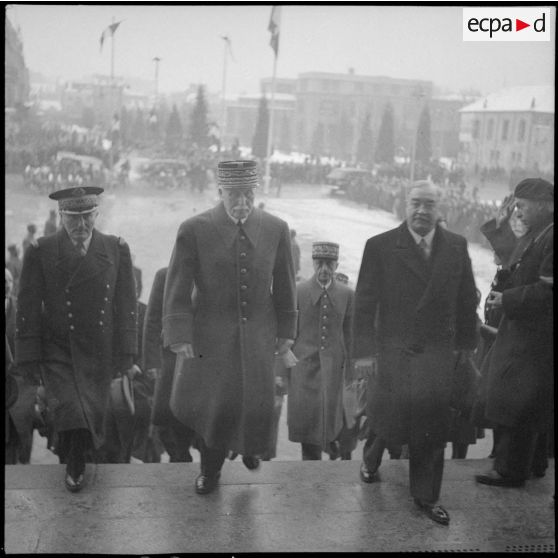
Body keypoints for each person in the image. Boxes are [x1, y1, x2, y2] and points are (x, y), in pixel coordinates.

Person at [162, 160, 297, 495]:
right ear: (219, 191)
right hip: (212, 338)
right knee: (216, 408)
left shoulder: (275, 228)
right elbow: (177, 286)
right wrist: (179, 334)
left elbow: (284, 285)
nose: (242, 203)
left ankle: (249, 447)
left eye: (248, 194)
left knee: (255, 402)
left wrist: (286, 332)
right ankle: (211, 471)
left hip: (258, 338)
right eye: (234, 195)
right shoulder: (194, 229)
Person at [352, 180, 478, 526]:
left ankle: (426, 496)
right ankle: (370, 461)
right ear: (404, 206)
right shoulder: (379, 246)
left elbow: (467, 299)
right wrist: (363, 354)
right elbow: (363, 305)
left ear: (440, 210)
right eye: (416, 203)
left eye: (429, 205)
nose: (422, 211)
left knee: (431, 425)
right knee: (385, 418)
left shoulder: (456, 245)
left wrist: (466, 345)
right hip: (393, 352)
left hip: (437, 354)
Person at [14, 186, 138, 492]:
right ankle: (75, 465)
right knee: (72, 408)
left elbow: (126, 304)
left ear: (96, 215)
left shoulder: (115, 247)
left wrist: (127, 352)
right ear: (61, 217)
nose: (81, 226)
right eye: (73, 218)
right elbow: (27, 307)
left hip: (99, 349)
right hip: (57, 347)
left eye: (87, 217)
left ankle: (73, 455)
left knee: (90, 411)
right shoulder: (41, 251)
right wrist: (28, 357)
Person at [475, 178, 553, 488]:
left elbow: (548, 291)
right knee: (530, 402)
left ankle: (509, 470)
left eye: (522, 206)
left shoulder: (549, 236)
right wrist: (502, 224)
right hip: (531, 333)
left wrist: (506, 298)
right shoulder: (541, 233)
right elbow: (515, 258)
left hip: (532, 335)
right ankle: (533, 464)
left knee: (514, 399)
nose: (518, 211)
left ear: (543, 205)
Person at [286, 242, 354, 460]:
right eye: (320, 263)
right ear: (313, 264)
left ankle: (331, 462)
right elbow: (286, 335)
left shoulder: (347, 294)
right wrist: (282, 372)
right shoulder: (298, 291)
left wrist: (352, 371)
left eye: (329, 264)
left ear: (337, 265)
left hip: (334, 371)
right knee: (307, 428)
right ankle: (310, 474)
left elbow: (350, 335)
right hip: (304, 371)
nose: (324, 269)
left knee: (330, 425)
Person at [146, 267, 197, 463]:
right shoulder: (165, 275)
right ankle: (180, 456)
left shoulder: (213, 271)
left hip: (204, 357)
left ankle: (198, 461)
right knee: (168, 415)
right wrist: (151, 361)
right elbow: (152, 320)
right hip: (172, 357)